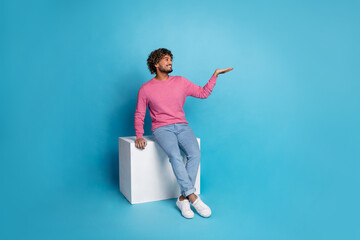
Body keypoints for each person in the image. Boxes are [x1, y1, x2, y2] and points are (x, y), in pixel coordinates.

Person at [134, 48, 233, 218]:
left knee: (195, 154)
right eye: (166, 59)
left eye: (171, 59)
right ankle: (193, 197)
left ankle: (182, 197)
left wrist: (215, 75)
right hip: (161, 128)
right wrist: (139, 135)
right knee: (175, 155)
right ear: (156, 64)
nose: (170, 62)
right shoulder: (146, 89)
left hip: (182, 126)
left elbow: (203, 93)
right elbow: (140, 114)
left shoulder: (180, 81)